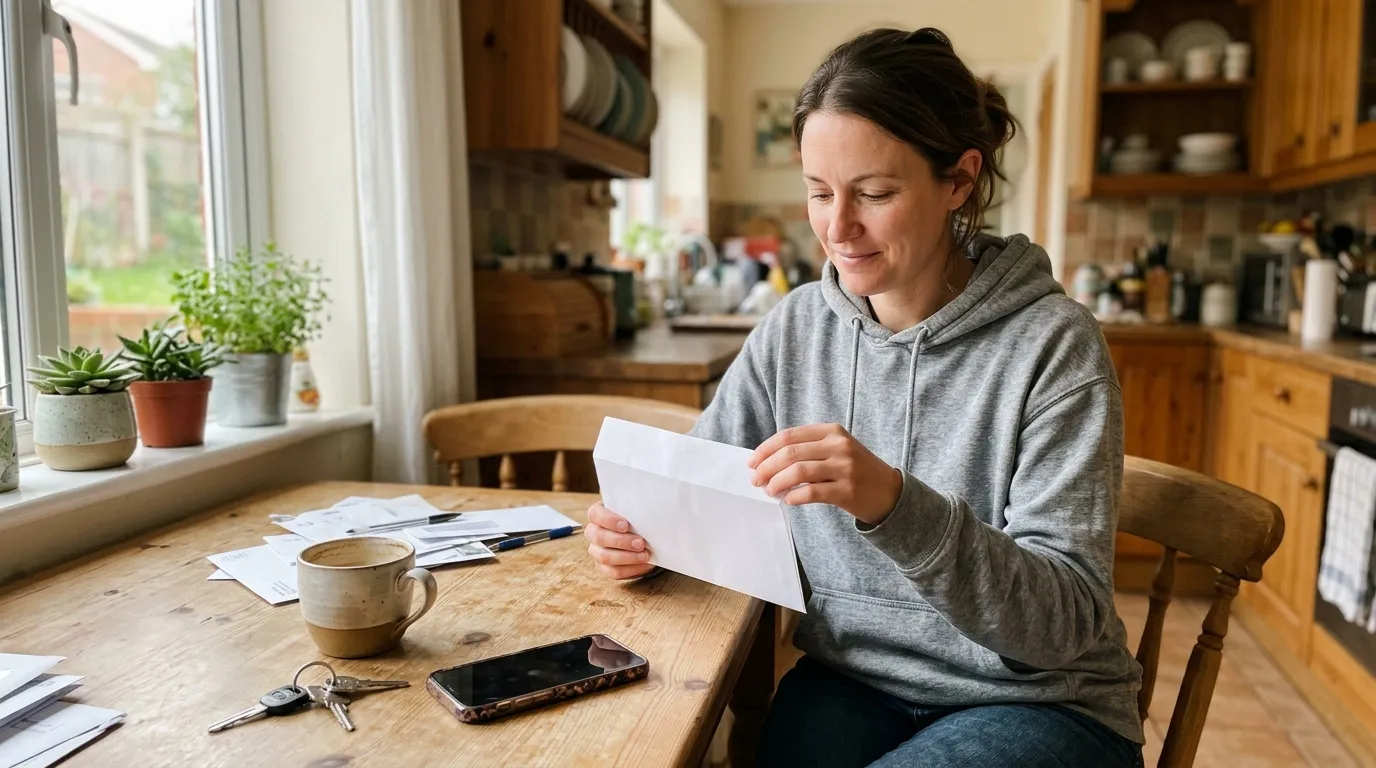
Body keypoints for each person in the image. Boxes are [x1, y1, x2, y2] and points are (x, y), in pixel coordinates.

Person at [584, 26, 1144, 768]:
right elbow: (699, 496)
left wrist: (892, 502)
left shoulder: (1054, 345)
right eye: (819, 192)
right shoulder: (795, 330)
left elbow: (1064, 624)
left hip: (1041, 702)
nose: (838, 228)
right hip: (854, 682)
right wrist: (642, 539)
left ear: (959, 180)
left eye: (875, 194)